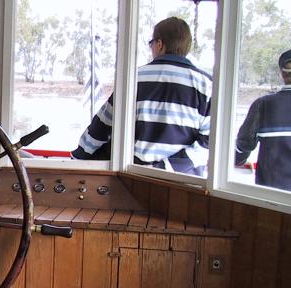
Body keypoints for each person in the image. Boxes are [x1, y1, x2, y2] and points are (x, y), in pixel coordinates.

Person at [72, 17, 212, 176]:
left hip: (135, 176)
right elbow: (208, 143)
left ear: (160, 44)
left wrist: (79, 156)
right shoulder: (206, 85)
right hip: (184, 183)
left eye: (151, 43)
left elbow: (103, 125)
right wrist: (167, 167)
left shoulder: (133, 79)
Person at [233, 49, 291, 190]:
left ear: (281, 74)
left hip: (270, 195)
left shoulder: (263, 105)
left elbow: (243, 144)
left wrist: (237, 160)